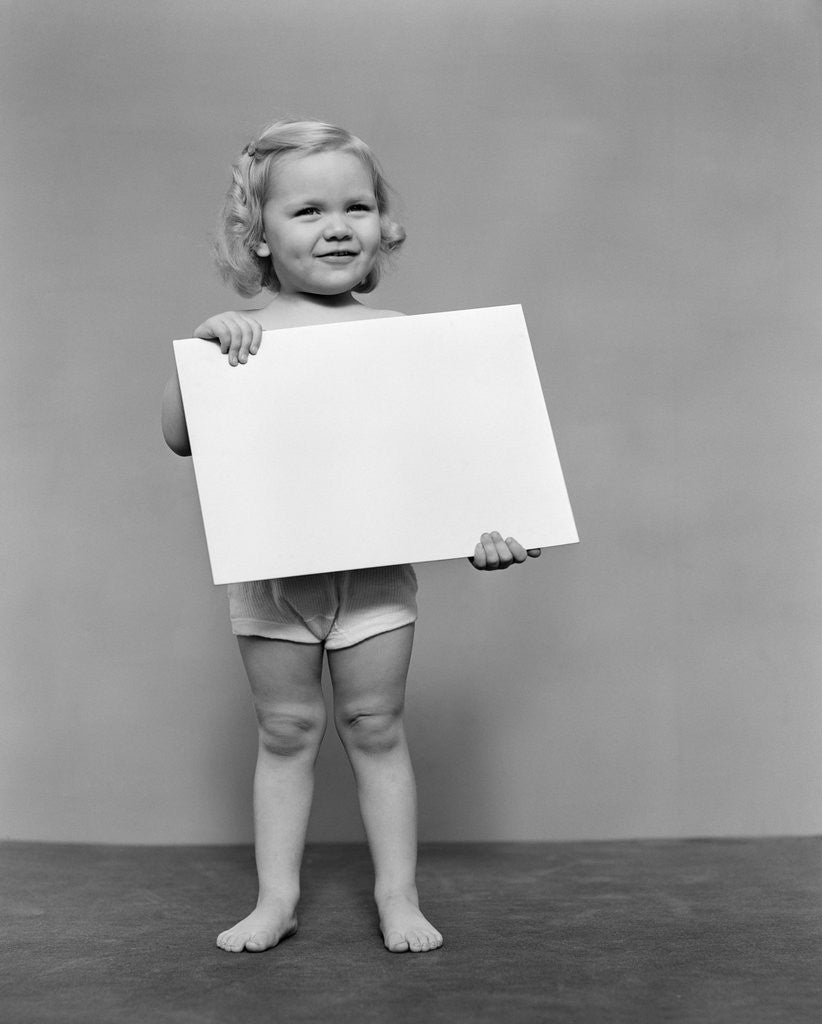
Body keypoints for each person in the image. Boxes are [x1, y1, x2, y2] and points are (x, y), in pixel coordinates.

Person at [161, 118, 541, 954]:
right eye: (308, 211)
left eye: (357, 206)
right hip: (272, 582)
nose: (338, 225)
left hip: (374, 585)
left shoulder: (405, 339)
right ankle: (277, 899)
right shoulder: (239, 339)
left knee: (375, 725)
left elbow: (465, 456)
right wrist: (203, 349)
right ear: (257, 238)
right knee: (286, 731)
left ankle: (397, 897)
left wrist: (505, 526)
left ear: (382, 228)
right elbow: (182, 436)